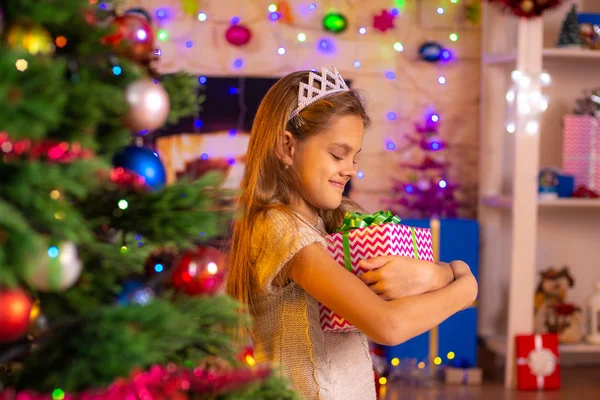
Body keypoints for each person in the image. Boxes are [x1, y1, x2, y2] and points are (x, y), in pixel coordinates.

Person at [226, 67, 478, 400]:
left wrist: (443, 272)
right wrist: (466, 284)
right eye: (337, 154)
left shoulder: (333, 221)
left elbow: (406, 293)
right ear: (287, 147)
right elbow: (388, 326)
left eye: (355, 157)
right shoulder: (280, 227)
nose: (350, 169)